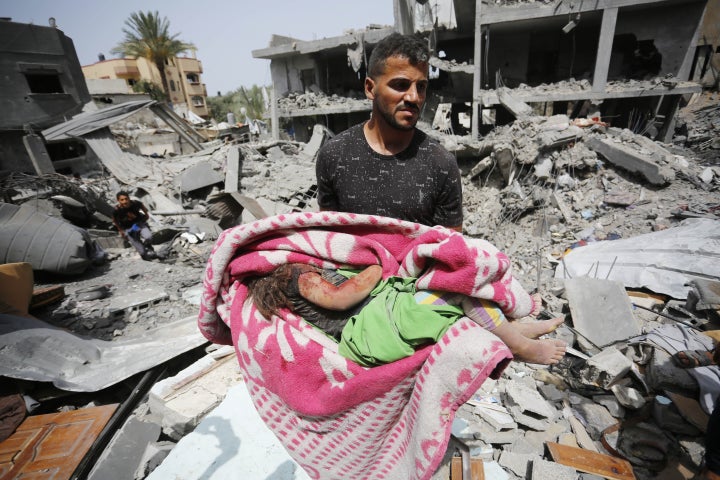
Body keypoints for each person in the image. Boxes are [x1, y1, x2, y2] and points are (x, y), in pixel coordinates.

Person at [247, 263, 566, 366]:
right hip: (374, 324)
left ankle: (516, 330)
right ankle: (524, 347)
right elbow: (342, 297)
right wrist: (374, 267)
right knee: (457, 288)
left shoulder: (290, 280)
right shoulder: (296, 275)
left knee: (453, 293)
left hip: (379, 318)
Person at [316, 32, 463, 232]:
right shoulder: (334, 156)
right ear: (370, 88)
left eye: (421, 87)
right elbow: (327, 244)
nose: (414, 97)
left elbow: (450, 254)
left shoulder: (441, 165)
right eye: (401, 85)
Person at [112, 191, 156, 260]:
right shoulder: (117, 210)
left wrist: (146, 215)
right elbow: (115, 221)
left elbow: (142, 206)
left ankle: (148, 246)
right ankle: (147, 260)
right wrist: (121, 231)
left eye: (126, 199)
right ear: (118, 201)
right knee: (142, 251)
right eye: (122, 200)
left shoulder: (135, 203)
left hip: (138, 224)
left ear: (129, 198)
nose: (125, 201)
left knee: (148, 237)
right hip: (128, 228)